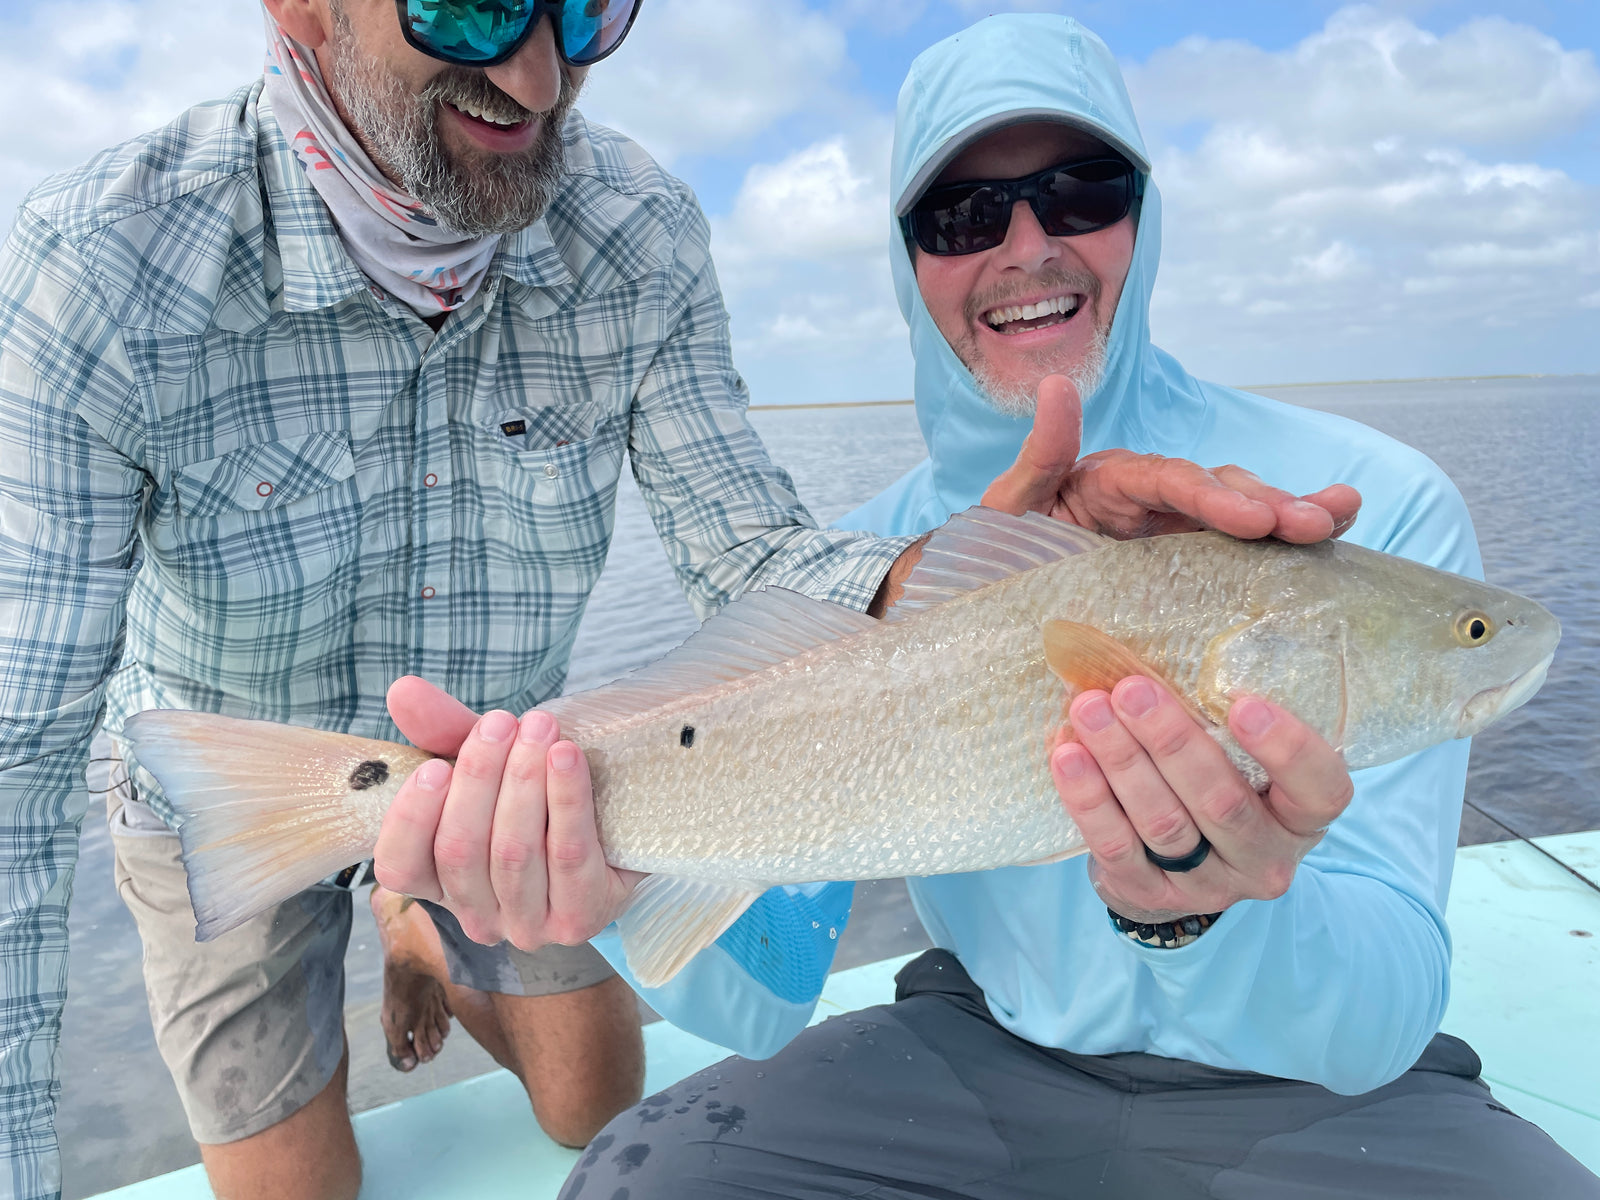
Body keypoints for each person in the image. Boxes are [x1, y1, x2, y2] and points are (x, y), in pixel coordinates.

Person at [0, 5, 1358, 1200]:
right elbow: (18, 757)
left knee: (600, 1109)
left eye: (584, 9)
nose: (536, 74)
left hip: (519, 777)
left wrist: (948, 583)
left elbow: (742, 548)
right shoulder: (97, 262)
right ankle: (385, 907)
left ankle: (410, 908)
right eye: (465, 3)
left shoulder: (636, 225)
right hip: (226, 778)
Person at [374, 14, 1600, 1200]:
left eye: (1081, 191)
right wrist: (616, 888)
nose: (1026, 246)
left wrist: (1213, 912)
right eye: (962, 214)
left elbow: (1374, 1022)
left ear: (1145, 216)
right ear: (910, 261)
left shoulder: (1368, 501)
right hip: (987, 1050)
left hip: (1322, 1097)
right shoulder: (867, 564)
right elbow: (763, 994)